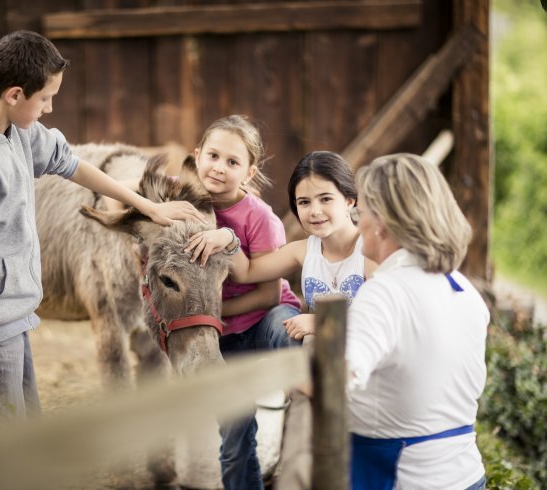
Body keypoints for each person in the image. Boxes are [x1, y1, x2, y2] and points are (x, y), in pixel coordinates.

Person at [0, 30, 205, 433]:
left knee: (23, 433)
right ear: (15, 95)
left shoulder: (14, 129)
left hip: (13, 315)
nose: (51, 108)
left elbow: (68, 162)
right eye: (46, 99)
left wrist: (145, 206)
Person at [347, 153, 488, 489]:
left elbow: (341, 372)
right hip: (468, 476)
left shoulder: (384, 293)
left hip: (402, 478)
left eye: (360, 212)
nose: (357, 222)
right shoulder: (464, 289)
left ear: (381, 221)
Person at [176, 115, 301, 490]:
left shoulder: (259, 218)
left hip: (263, 317)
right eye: (213, 155)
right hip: (223, 338)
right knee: (233, 442)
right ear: (197, 156)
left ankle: (312, 370)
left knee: (287, 328)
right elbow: (134, 186)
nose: (219, 168)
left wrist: (211, 316)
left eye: (233, 162)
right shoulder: (180, 200)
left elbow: (268, 293)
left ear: (249, 172)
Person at [188, 150, 377, 340]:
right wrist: (228, 237)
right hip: (327, 356)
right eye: (304, 202)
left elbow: (388, 313)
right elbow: (247, 272)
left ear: (349, 201)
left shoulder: (370, 250)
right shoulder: (302, 251)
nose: (315, 211)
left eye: (325, 199)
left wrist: (319, 321)